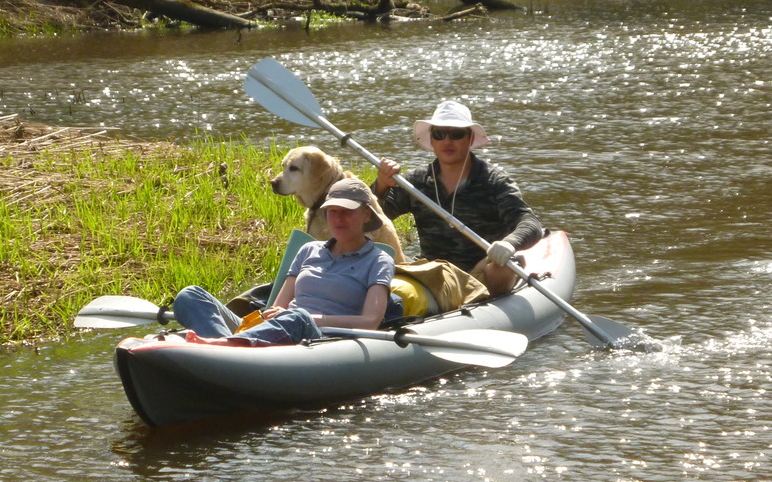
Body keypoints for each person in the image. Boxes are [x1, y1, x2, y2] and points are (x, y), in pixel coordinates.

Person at [171, 178, 397, 345]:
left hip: (322, 338)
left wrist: (314, 319)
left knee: (298, 316)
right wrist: (278, 314)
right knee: (190, 295)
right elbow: (277, 307)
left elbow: (370, 322)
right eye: (332, 211)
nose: (338, 219)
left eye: (347, 212)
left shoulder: (378, 260)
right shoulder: (308, 249)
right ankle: (228, 344)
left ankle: (225, 345)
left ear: (366, 215)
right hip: (285, 327)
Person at [372, 99, 543, 297]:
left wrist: (509, 243)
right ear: (432, 140)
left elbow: (530, 222)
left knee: (499, 268)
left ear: (469, 139)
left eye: (456, 134)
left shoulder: (494, 181)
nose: (447, 141)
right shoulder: (415, 182)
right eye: (439, 134)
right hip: (432, 272)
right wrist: (380, 186)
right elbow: (375, 219)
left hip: (481, 270)